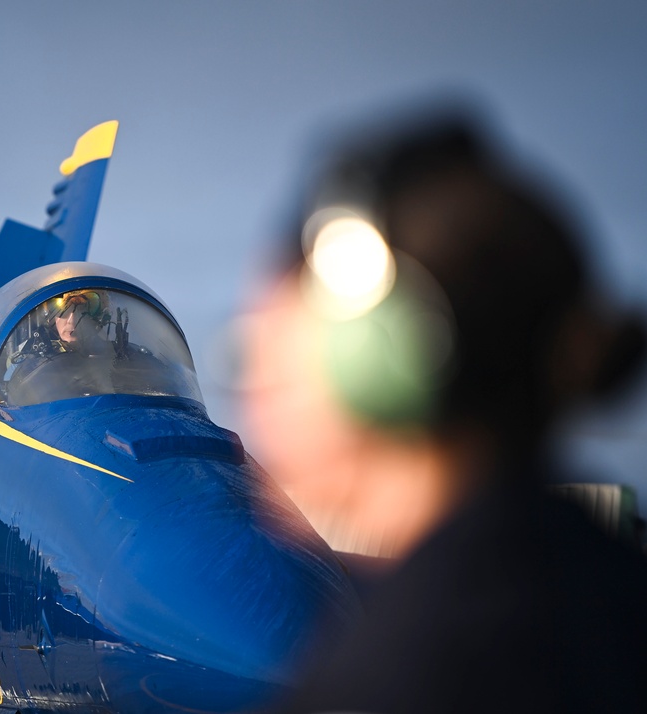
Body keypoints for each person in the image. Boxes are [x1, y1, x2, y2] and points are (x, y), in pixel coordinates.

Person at [240, 106, 647, 712]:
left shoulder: (395, 679)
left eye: (288, 304)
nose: (255, 357)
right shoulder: (608, 587)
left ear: (378, 355)